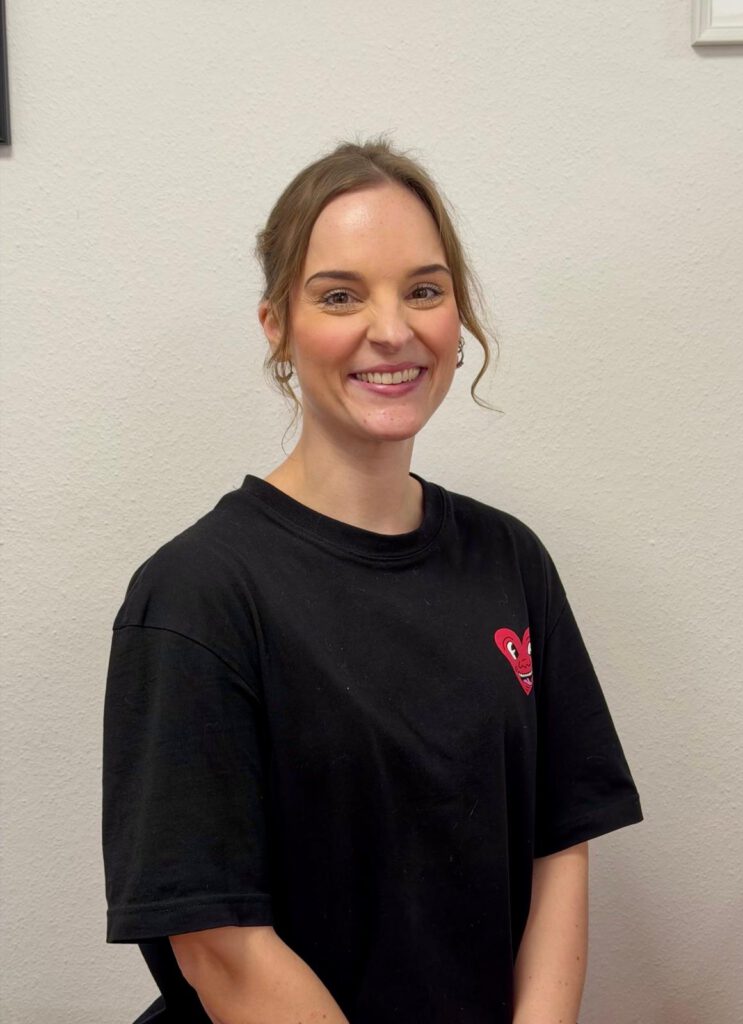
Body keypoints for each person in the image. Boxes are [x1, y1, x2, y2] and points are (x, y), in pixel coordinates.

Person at [101, 135, 643, 1024]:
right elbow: (218, 947)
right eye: (340, 295)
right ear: (276, 325)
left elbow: (560, 843)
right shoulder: (197, 594)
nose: (392, 330)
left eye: (424, 290)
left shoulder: (511, 561)